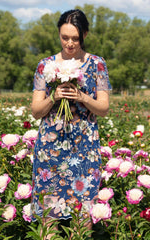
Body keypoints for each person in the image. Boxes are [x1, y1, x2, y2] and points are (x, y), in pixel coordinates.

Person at [31, 9, 112, 239]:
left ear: (84, 34)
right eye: (64, 37)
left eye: (75, 38)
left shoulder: (97, 64)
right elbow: (36, 112)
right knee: (49, 219)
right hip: (50, 152)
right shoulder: (45, 66)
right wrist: (53, 97)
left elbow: (104, 108)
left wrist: (82, 98)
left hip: (84, 150)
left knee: (82, 218)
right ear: (58, 34)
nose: (69, 43)